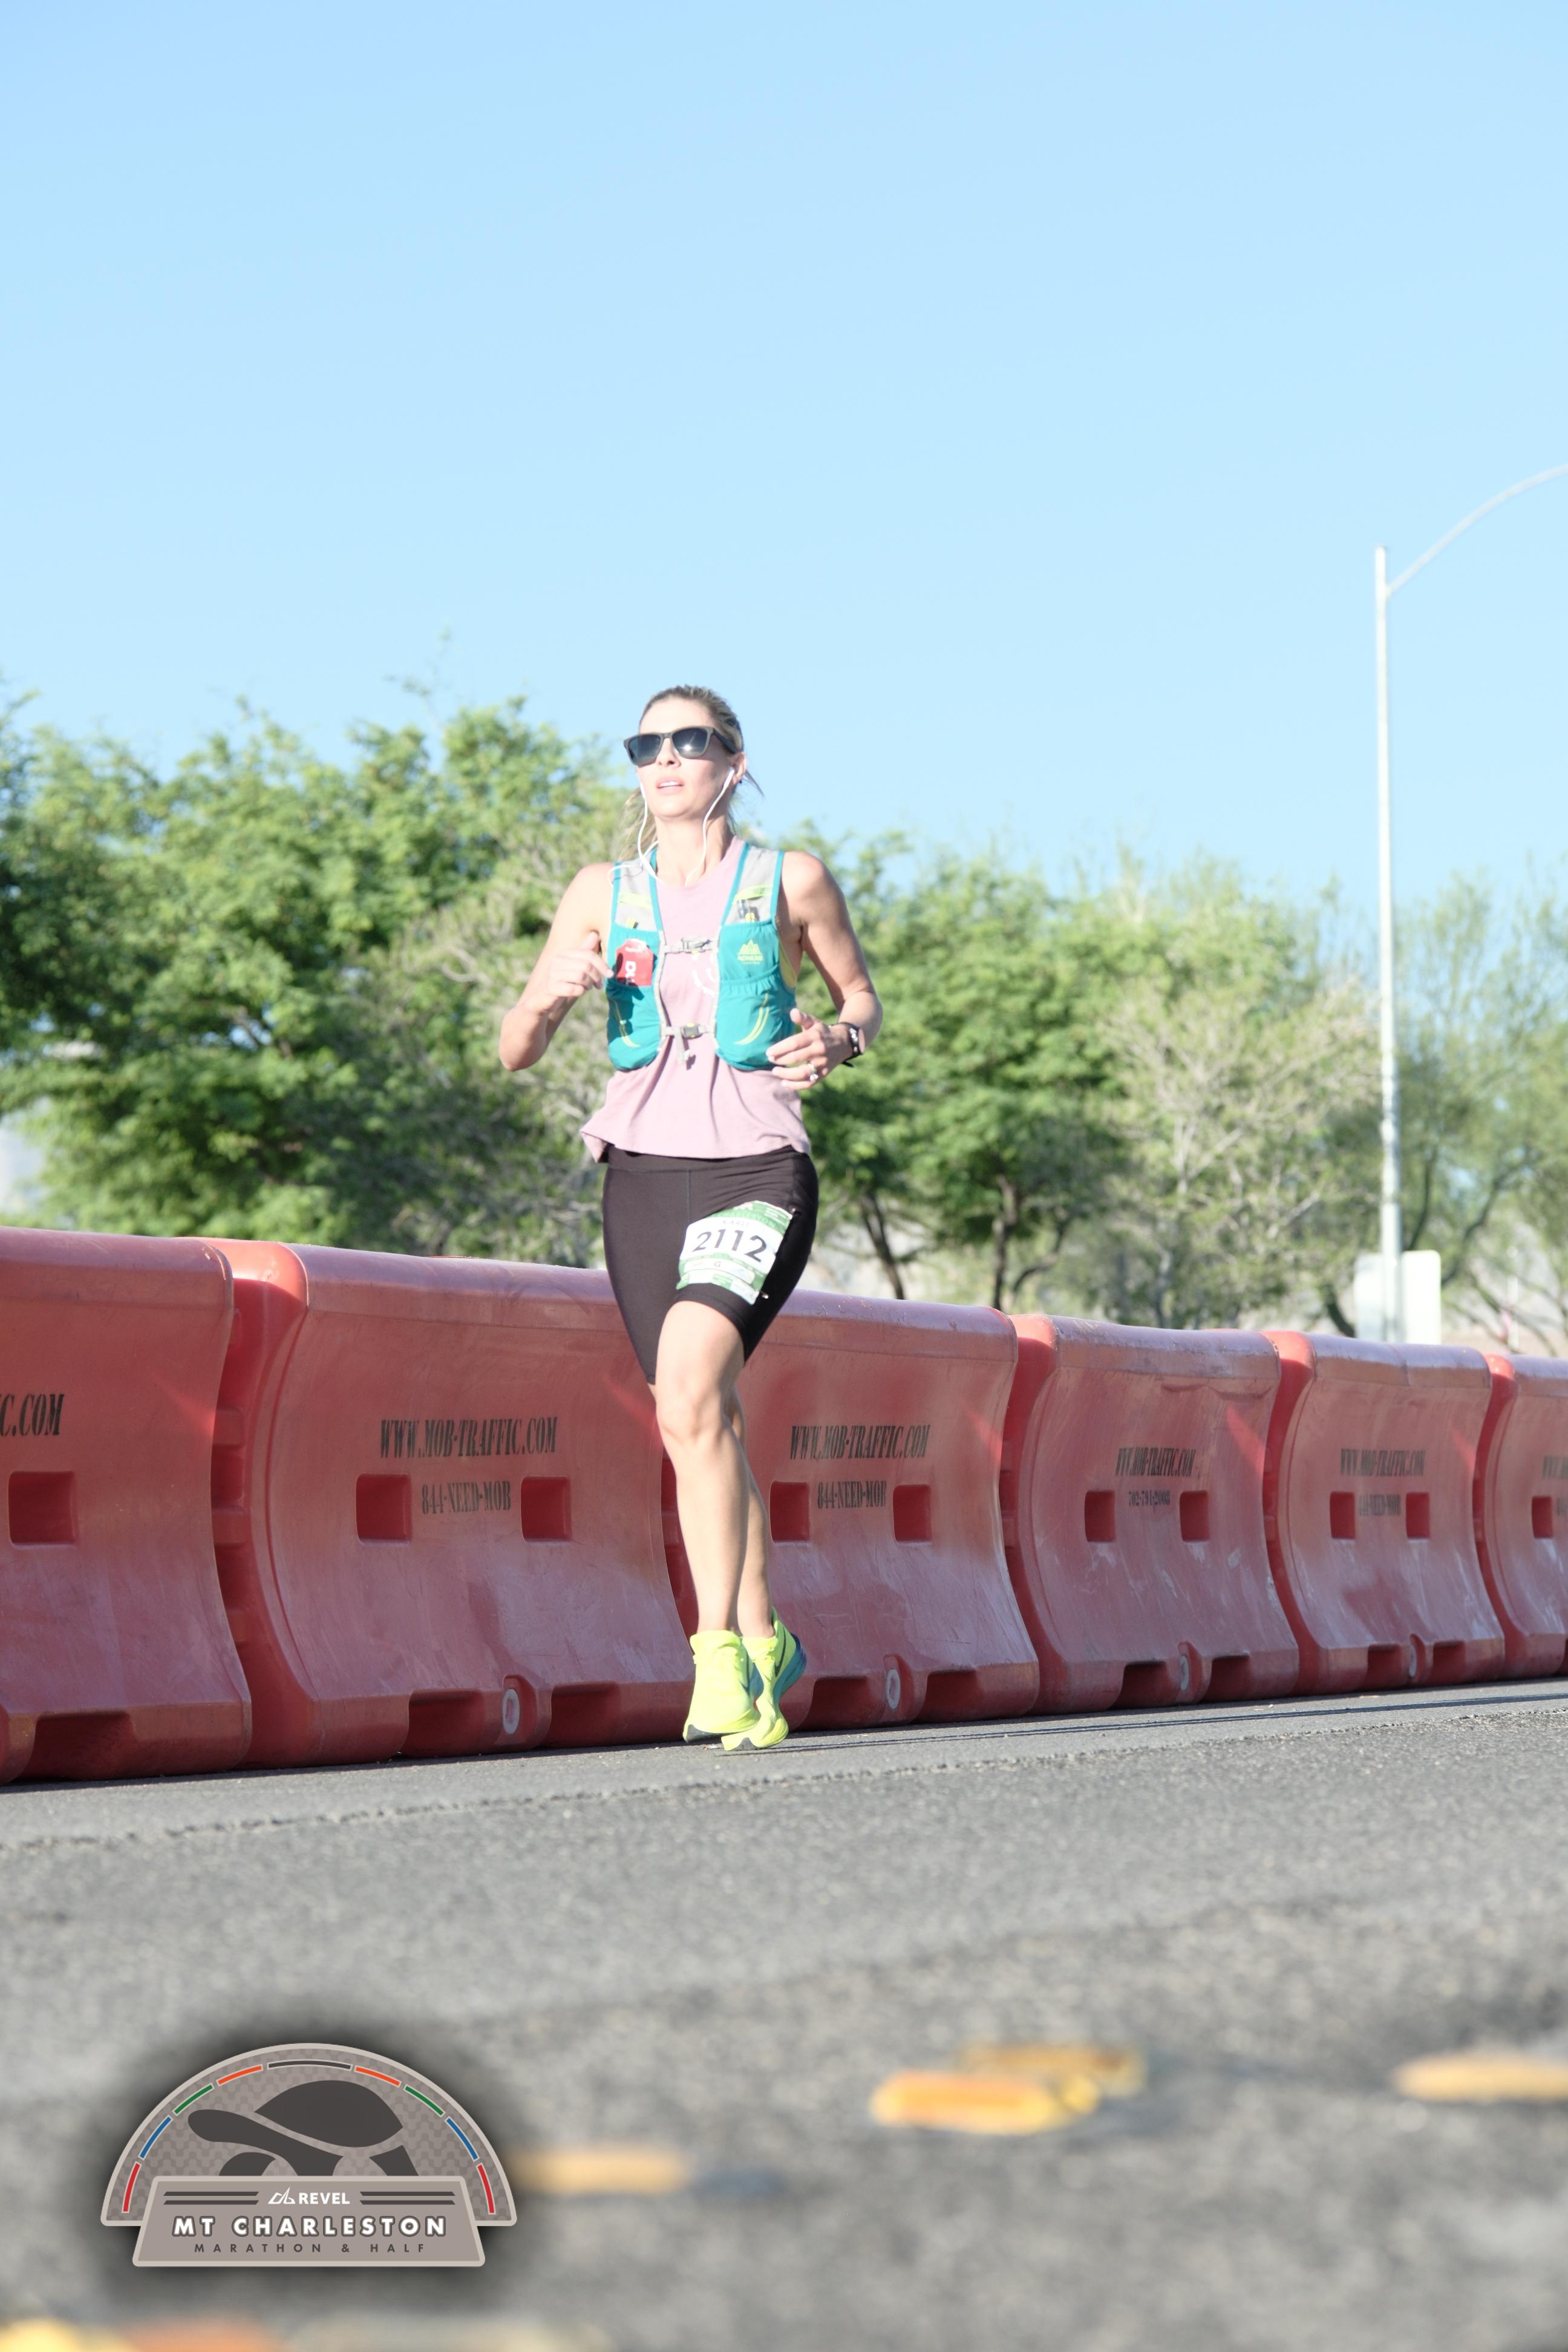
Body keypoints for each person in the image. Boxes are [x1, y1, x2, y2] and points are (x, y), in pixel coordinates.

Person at [499, 685, 881, 1750]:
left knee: (693, 1393)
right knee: (696, 1417)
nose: (664, 760)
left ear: (734, 762)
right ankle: (766, 1638)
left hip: (756, 1168)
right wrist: (549, 997)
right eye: (647, 745)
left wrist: (838, 1040)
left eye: (689, 741)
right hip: (643, 1175)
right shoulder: (601, 891)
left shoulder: (789, 878)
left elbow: (862, 999)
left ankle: (715, 1651)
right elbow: (515, 1047)